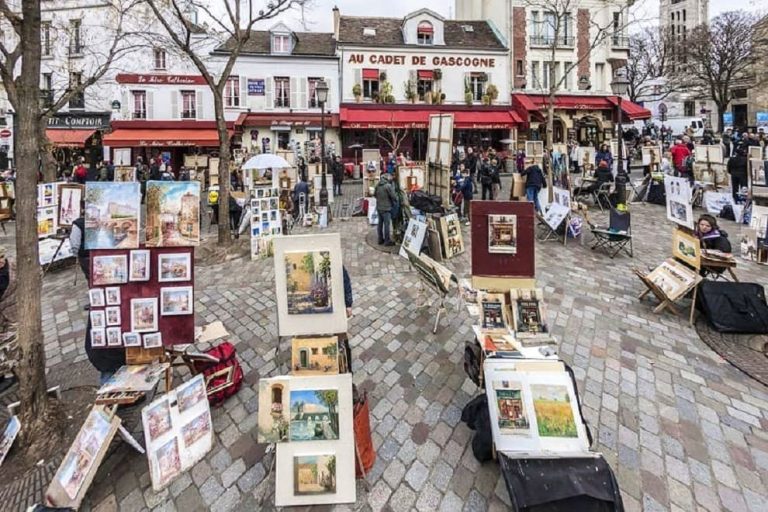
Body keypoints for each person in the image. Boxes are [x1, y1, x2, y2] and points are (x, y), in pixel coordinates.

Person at [374, 174, 397, 246]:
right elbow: (394, 197)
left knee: (380, 224)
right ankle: (387, 241)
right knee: (387, 225)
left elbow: (375, 195)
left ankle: (380, 239)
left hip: (379, 207)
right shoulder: (388, 186)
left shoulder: (378, 185)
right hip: (386, 208)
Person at [69, 207, 90, 281]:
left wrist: (75, 253)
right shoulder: (99, 221)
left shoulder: (78, 223)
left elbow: (74, 242)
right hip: (99, 253)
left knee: (91, 278)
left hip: (85, 255)